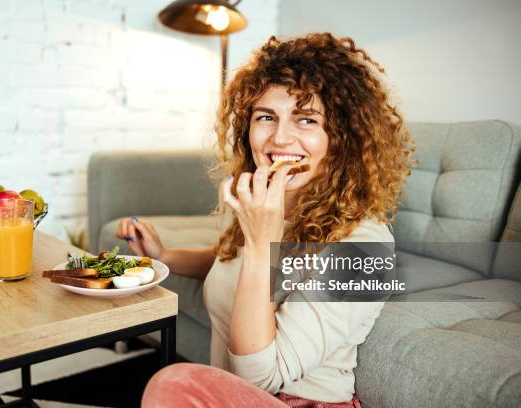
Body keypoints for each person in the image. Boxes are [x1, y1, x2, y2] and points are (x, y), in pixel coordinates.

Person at [117, 32, 413, 408]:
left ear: (341, 138)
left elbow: (258, 377)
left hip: (298, 401)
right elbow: (231, 260)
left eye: (306, 120)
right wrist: (166, 255)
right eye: (266, 117)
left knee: (174, 382)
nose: (280, 138)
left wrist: (262, 241)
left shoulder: (365, 245)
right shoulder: (270, 205)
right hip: (233, 394)